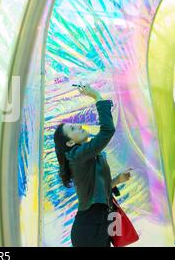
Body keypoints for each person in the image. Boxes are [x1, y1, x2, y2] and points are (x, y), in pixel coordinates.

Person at [53, 83, 132, 247]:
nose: (79, 126)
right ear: (70, 142)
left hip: (102, 225)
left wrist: (117, 179)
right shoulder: (76, 156)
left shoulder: (91, 155)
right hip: (89, 229)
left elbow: (96, 188)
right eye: (73, 128)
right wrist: (96, 96)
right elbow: (107, 131)